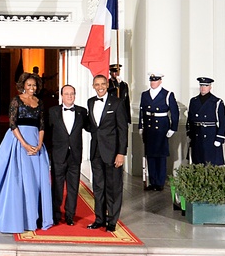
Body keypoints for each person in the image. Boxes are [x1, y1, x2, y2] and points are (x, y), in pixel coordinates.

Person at [0, 72, 53, 233]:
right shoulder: (16, 100)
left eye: (34, 85)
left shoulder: (39, 102)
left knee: (35, 181)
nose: (32, 88)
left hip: (36, 143)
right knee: (17, 180)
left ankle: (32, 218)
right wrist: (25, 145)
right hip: (17, 143)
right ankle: (15, 217)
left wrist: (39, 144)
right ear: (23, 86)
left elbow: (41, 125)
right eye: (29, 85)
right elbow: (13, 125)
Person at [86, 73, 128, 232]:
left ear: (107, 85)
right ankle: (99, 219)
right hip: (96, 151)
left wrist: (121, 153)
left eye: (103, 84)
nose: (100, 87)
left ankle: (112, 221)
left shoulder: (117, 103)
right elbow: (92, 126)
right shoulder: (90, 102)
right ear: (93, 86)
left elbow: (122, 130)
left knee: (113, 188)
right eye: (97, 84)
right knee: (98, 187)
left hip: (112, 153)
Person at [48, 83, 87, 226]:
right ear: (62, 96)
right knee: (57, 187)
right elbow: (47, 132)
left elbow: (91, 128)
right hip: (58, 154)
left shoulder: (82, 112)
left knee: (73, 187)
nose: (70, 96)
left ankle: (70, 215)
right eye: (67, 94)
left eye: (72, 94)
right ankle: (56, 215)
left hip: (75, 156)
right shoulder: (52, 111)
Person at [138, 72, 179, 191]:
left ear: (160, 81)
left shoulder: (167, 94)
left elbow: (175, 113)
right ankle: (153, 181)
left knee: (160, 156)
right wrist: (141, 126)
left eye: (155, 80)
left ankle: (160, 182)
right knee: (150, 155)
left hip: (161, 128)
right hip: (149, 128)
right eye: (151, 80)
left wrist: (173, 128)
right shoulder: (145, 94)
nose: (153, 83)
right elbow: (142, 111)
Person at [186, 77, 225, 166]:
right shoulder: (194, 101)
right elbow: (190, 119)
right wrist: (189, 134)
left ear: (210, 87)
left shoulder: (217, 101)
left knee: (210, 162)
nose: (203, 88)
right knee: (197, 162)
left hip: (210, 135)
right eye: (201, 85)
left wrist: (219, 138)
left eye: (206, 86)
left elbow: (223, 121)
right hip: (197, 134)